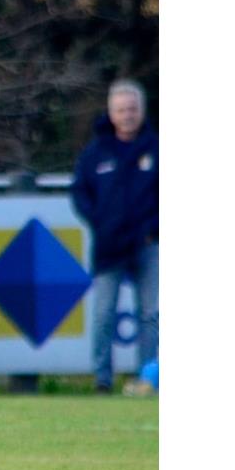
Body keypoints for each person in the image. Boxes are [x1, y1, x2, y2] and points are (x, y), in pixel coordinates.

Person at [71, 79, 158, 394]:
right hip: (109, 245)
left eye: (132, 109)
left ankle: (148, 378)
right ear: (111, 113)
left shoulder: (157, 149)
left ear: (141, 111)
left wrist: (154, 229)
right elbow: (80, 193)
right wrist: (99, 222)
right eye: (121, 110)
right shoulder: (95, 153)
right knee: (103, 313)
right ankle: (102, 380)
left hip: (148, 244)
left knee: (151, 314)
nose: (127, 115)